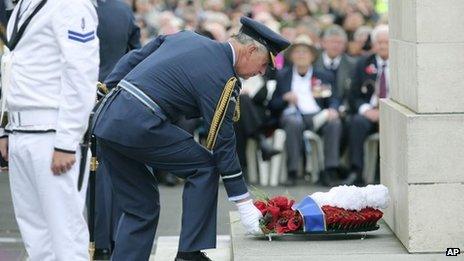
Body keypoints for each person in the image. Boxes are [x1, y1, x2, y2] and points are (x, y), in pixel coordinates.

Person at [93, 16, 289, 261]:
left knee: (141, 207)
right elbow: (223, 142)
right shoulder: (223, 77)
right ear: (250, 50)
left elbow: (134, 57)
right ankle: (189, 253)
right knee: (204, 167)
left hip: (108, 119)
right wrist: (243, 203)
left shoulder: (187, 36)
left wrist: (104, 90)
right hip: (141, 124)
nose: (261, 71)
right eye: (264, 64)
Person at [0, 0, 99, 260]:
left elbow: (80, 73)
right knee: (35, 238)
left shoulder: (71, 5)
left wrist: (67, 141)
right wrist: (5, 126)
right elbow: (12, 64)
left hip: (52, 132)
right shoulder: (23, 4)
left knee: (65, 235)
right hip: (20, 130)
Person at [93, 0, 141, 259]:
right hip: (113, 96)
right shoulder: (121, 10)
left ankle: (97, 241)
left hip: (74, 98)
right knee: (109, 173)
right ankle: (109, 240)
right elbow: (136, 54)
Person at [268, 34, 340, 187]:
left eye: (305, 52)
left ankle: (329, 170)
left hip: (317, 115)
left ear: (312, 56)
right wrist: (285, 98)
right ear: (292, 56)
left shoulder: (323, 75)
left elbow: (333, 98)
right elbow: (272, 104)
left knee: (334, 123)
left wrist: (333, 109)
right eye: (298, 52)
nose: (301, 55)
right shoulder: (283, 75)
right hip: (293, 115)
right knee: (292, 123)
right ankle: (293, 171)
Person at [345, 24, 389, 186]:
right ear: (373, 44)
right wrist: (366, 110)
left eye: (387, 42)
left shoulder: (401, 64)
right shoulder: (363, 63)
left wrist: (386, 112)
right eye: (380, 42)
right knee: (357, 122)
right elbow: (353, 96)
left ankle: (384, 172)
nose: (383, 46)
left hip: (392, 113)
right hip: (369, 112)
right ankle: (357, 171)